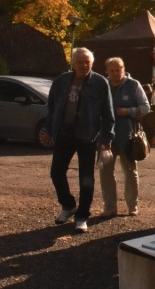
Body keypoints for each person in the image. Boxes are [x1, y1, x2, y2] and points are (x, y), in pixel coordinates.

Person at [41, 47, 114, 233]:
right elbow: (52, 108)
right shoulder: (61, 81)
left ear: (92, 63)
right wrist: (49, 130)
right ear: (73, 63)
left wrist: (106, 139)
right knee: (56, 173)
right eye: (80, 62)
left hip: (88, 137)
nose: (84, 65)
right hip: (64, 134)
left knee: (86, 179)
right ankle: (68, 205)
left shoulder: (100, 83)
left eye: (87, 62)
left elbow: (108, 113)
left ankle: (82, 216)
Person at [99, 57, 149, 218]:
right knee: (105, 173)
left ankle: (132, 206)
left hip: (127, 137)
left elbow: (146, 107)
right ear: (107, 70)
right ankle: (110, 207)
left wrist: (129, 112)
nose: (115, 73)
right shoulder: (101, 85)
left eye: (118, 70)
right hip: (105, 137)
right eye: (112, 70)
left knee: (130, 172)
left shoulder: (133, 85)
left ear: (123, 69)